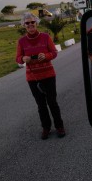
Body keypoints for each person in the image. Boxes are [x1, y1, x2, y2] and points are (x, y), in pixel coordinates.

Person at [16, 12, 65, 140]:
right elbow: (17, 59)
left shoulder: (45, 37)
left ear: (36, 23)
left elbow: (54, 52)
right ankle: (46, 128)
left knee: (52, 103)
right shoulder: (21, 41)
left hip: (48, 75)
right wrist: (23, 58)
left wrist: (46, 56)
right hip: (33, 78)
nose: (30, 25)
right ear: (24, 25)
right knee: (41, 105)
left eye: (33, 22)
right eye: (27, 23)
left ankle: (59, 126)